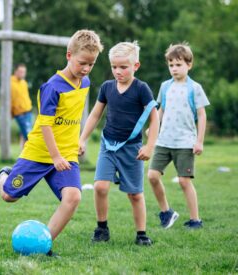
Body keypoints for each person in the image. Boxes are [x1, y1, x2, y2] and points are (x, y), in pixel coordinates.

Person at [0, 30, 103, 256]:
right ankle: (3, 175)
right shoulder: (52, 87)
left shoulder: (85, 82)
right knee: (9, 196)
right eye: (82, 63)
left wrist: (79, 140)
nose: (86, 69)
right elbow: (46, 125)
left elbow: (73, 117)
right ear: (69, 55)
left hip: (66, 153)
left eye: (91, 64)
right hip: (39, 152)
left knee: (73, 197)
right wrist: (55, 156)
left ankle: (43, 245)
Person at [79, 41, 159, 246]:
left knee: (135, 194)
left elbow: (154, 118)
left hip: (132, 149)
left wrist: (150, 146)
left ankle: (141, 234)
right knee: (100, 187)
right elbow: (96, 114)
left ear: (136, 66)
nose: (118, 71)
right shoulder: (107, 87)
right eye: (114, 67)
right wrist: (82, 139)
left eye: (123, 67)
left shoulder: (142, 89)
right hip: (108, 146)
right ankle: (102, 228)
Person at [147, 43, 210, 229]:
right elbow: (161, 110)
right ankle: (166, 213)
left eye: (178, 64)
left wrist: (199, 141)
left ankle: (195, 220)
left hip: (185, 142)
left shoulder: (195, 88)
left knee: (184, 181)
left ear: (189, 65)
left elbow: (201, 115)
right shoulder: (165, 86)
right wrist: (153, 128)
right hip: (163, 141)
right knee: (152, 176)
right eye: (171, 65)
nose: (174, 68)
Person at [10, 64, 33, 148]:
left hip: (29, 111)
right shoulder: (10, 83)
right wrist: (11, 113)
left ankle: (23, 156)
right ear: (15, 71)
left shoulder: (24, 83)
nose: (22, 73)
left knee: (25, 135)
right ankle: (28, 157)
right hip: (20, 113)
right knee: (29, 135)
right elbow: (10, 99)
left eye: (24, 72)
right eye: (20, 71)